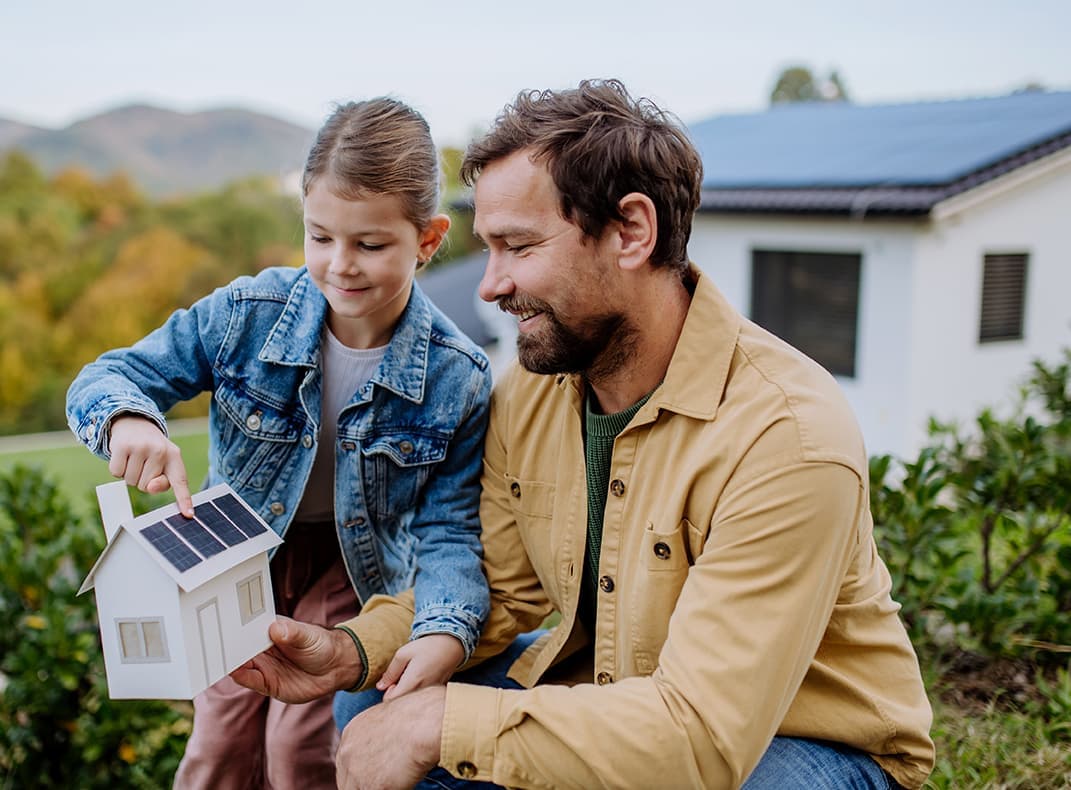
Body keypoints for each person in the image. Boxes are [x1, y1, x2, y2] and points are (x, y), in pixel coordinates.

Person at [232, 79, 936, 789]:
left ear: (631, 231)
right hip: (615, 688)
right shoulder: (535, 389)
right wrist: (352, 649)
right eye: (489, 249)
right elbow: (496, 587)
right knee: (379, 695)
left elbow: (699, 737)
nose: (489, 285)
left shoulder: (785, 436)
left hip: (801, 740)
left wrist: (444, 724)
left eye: (518, 247)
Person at [65, 97, 492, 789]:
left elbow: (449, 527)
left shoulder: (457, 375)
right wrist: (128, 421)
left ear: (429, 238)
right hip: (234, 556)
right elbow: (109, 375)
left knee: (303, 751)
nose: (340, 265)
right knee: (219, 744)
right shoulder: (244, 315)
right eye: (319, 237)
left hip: (355, 572)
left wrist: (444, 624)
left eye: (370, 244)